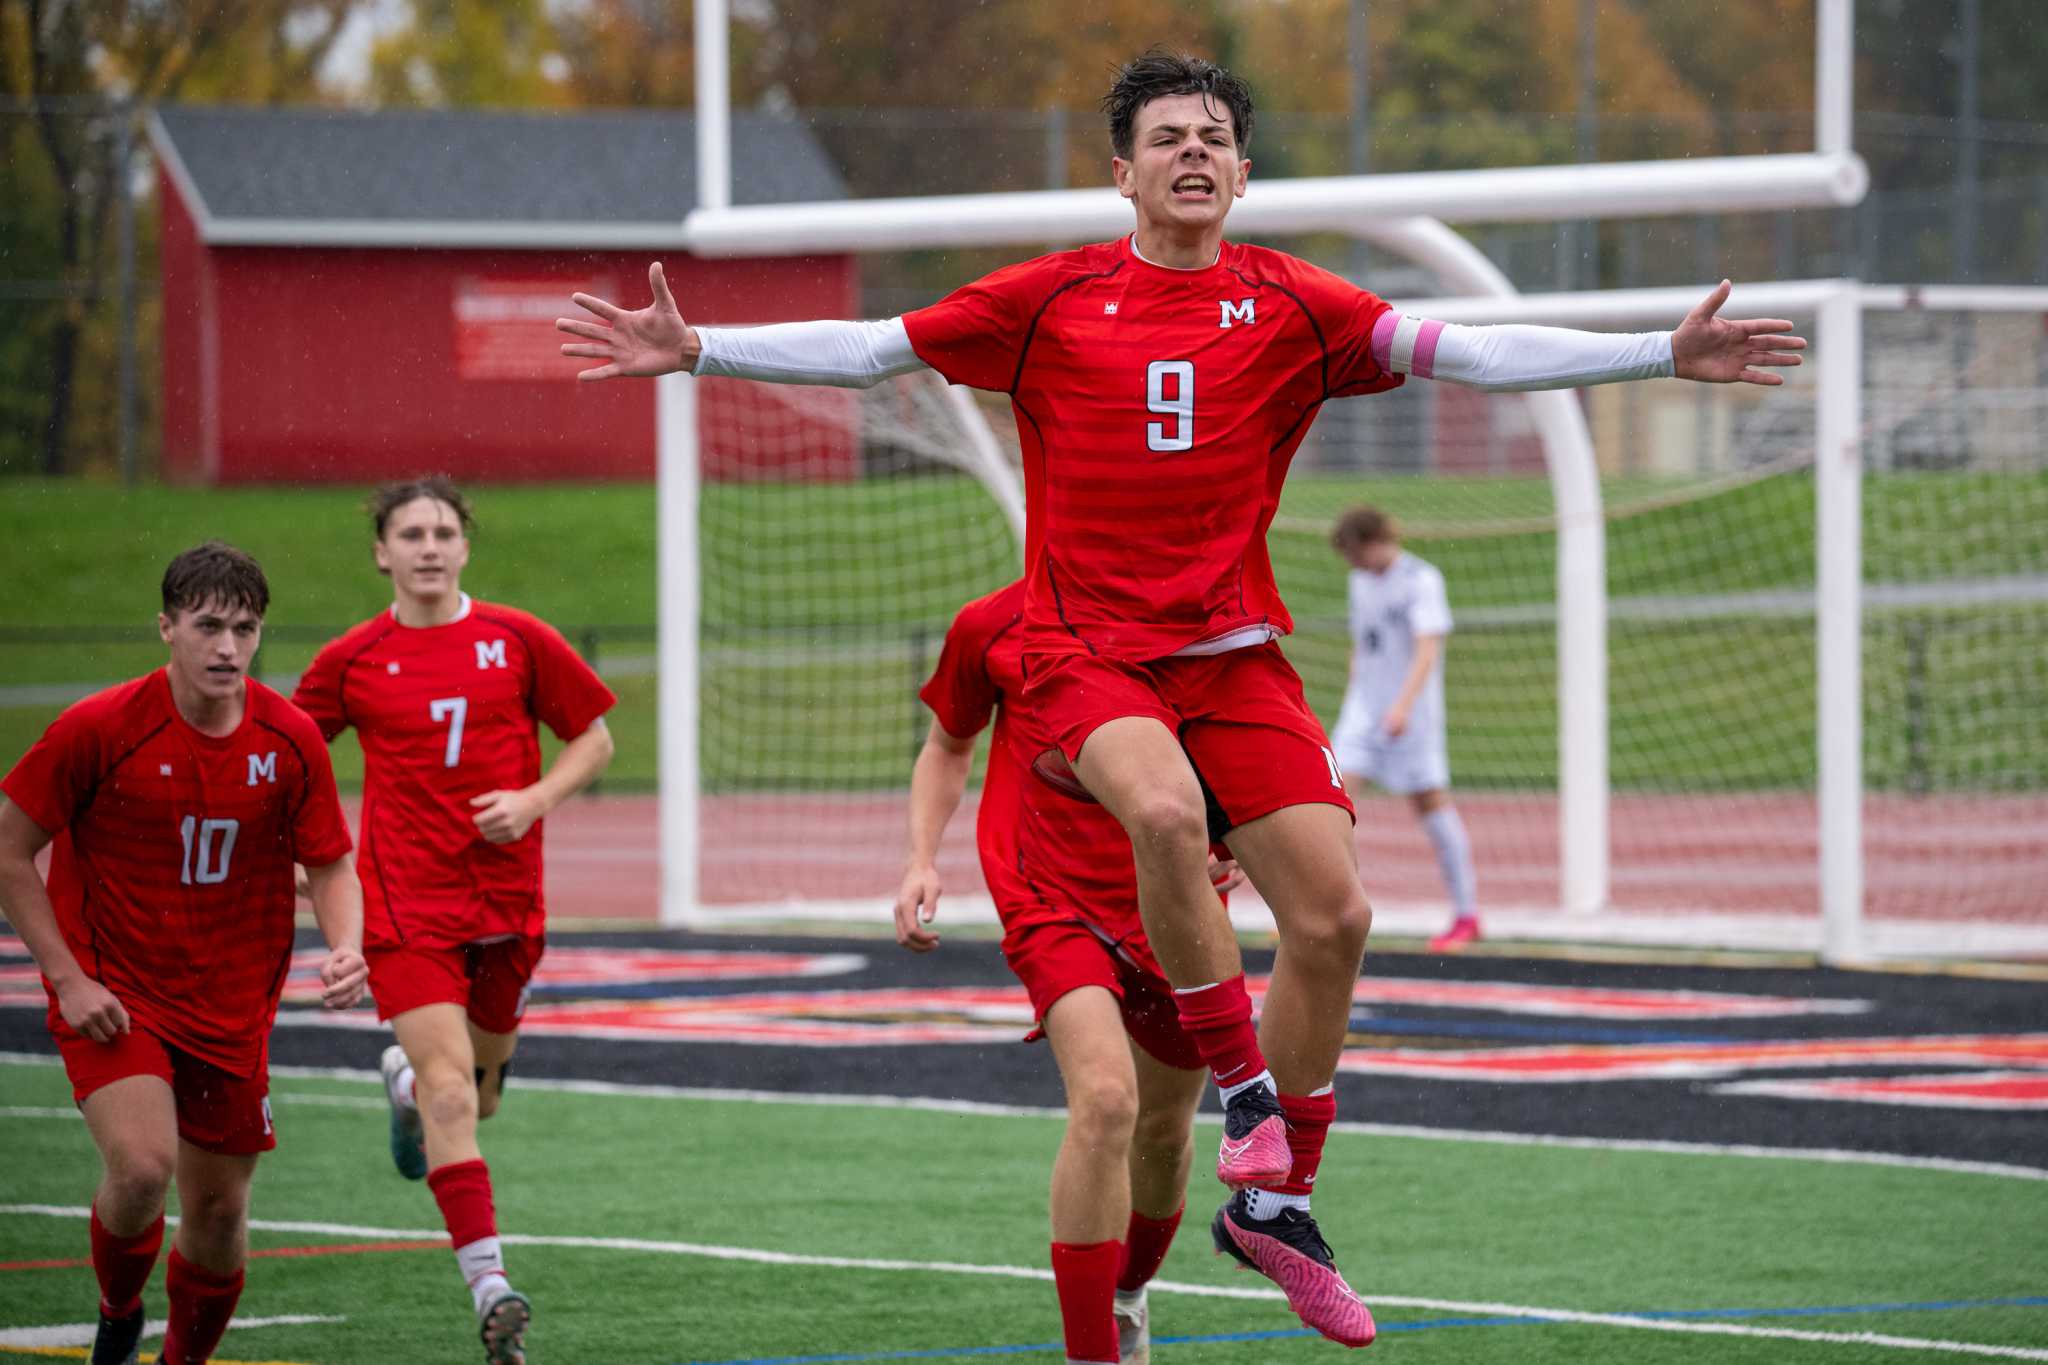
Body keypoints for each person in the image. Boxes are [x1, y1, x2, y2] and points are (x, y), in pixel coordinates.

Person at [555, 51, 1803, 1347]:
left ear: (1245, 171)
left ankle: (1274, 1204)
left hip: (1236, 655)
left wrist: (1659, 350)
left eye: (1216, 135)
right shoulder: (1048, 300)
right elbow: (872, 351)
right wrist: (700, 348)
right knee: (1160, 812)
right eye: (1166, 136)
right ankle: (1249, 1098)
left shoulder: (1294, 305)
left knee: (1337, 915)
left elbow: (1474, 347)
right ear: (1121, 172)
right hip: (1087, 652)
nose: (1194, 151)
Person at [0, 542, 367, 1365]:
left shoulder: (291, 737)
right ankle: (119, 1310)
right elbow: (8, 848)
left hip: (234, 1004)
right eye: (208, 626)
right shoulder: (99, 727)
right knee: (140, 1168)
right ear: (166, 627)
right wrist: (67, 976)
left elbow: (333, 861)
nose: (228, 647)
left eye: (244, 628)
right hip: (116, 992)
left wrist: (346, 946)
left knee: (220, 1218)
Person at [291, 477, 616, 1365]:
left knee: (479, 1098)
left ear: (464, 547)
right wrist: (301, 856)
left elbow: (594, 737)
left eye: (443, 531)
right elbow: (288, 755)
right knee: (451, 1092)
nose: (428, 546)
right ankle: (493, 1290)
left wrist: (535, 796)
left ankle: (399, 1090)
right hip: (405, 908)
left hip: (509, 904)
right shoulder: (352, 659)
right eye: (410, 533)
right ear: (382, 552)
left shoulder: (517, 639)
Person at [897, 579, 1247, 1364]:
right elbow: (948, 745)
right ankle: (1091, 1350)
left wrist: (1233, 845)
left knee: (1163, 1129)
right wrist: (920, 860)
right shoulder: (987, 622)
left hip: (1169, 895)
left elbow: (1238, 747)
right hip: (1047, 892)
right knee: (1106, 1098)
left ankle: (1127, 1292)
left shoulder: (1186, 611)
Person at [1329, 507, 1481, 952]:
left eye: (1354, 552)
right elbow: (1362, 645)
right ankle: (1326, 907)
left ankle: (1467, 913)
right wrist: (1356, 699)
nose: (1351, 562)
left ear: (1371, 542)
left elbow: (1427, 650)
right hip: (1364, 714)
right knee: (1331, 801)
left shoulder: (1421, 580)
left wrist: (1402, 706)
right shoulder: (1359, 582)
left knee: (1430, 803)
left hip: (1409, 717)